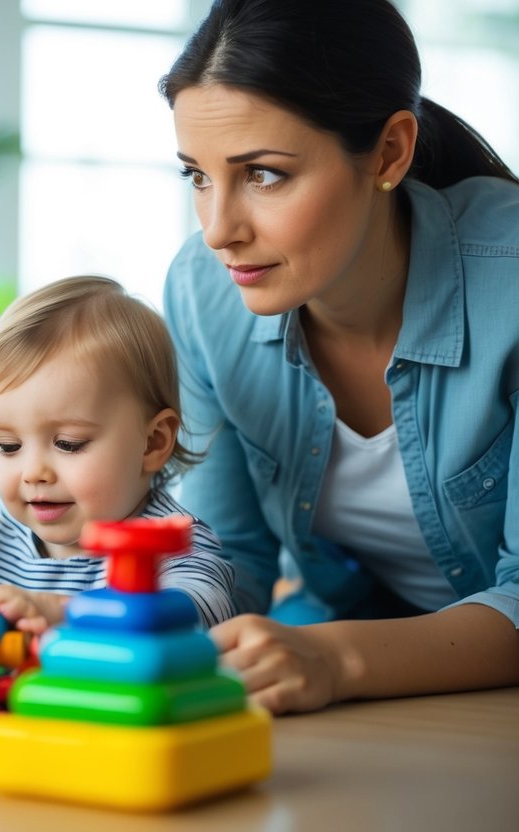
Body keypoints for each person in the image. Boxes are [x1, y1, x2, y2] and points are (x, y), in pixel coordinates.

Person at [159, 0, 519, 715]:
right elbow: (232, 559)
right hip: (377, 690)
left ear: (388, 152)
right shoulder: (203, 296)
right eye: (195, 176)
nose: (216, 231)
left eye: (261, 174)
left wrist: (333, 658)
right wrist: (87, 627)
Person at [0, 275, 236, 633]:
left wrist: (63, 612)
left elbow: (200, 621)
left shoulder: (172, 543)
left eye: (68, 443)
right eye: (8, 447)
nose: (33, 473)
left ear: (154, 442)